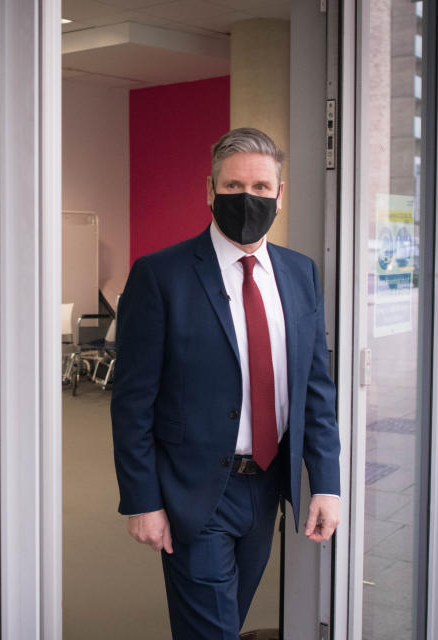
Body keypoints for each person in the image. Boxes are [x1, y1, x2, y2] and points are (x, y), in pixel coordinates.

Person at [111, 127, 341, 638]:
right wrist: (142, 500)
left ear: (280, 195)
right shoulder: (160, 275)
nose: (248, 198)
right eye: (234, 186)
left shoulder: (300, 273)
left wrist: (326, 482)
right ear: (210, 191)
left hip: (267, 489)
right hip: (195, 491)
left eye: (261, 188)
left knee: (223, 623)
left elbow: (315, 388)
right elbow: (132, 402)